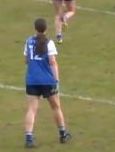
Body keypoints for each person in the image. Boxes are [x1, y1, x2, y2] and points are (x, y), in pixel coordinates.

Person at [23, 18, 71, 148]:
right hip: (47, 80)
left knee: (31, 109)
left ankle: (28, 138)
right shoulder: (49, 43)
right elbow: (53, 62)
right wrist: (56, 80)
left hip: (32, 80)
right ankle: (63, 134)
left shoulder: (28, 42)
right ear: (45, 29)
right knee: (56, 107)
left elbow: (26, 60)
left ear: (35, 28)